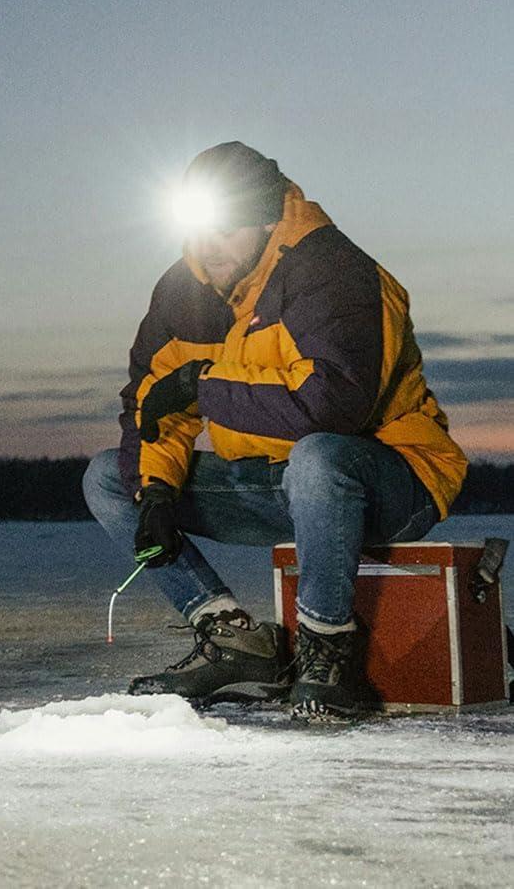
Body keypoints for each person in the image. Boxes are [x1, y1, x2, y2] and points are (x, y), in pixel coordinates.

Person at [83, 142, 466, 720]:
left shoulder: (331, 270)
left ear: (266, 220)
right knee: (108, 478)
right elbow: (153, 402)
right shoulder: (184, 293)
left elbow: (333, 408)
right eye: (199, 230)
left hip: (389, 479)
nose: (209, 247)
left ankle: (326, 650)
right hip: (276, 484)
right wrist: (156, 493)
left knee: (318, 457)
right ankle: (233, 637)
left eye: (226, 229)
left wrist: (203, 385)